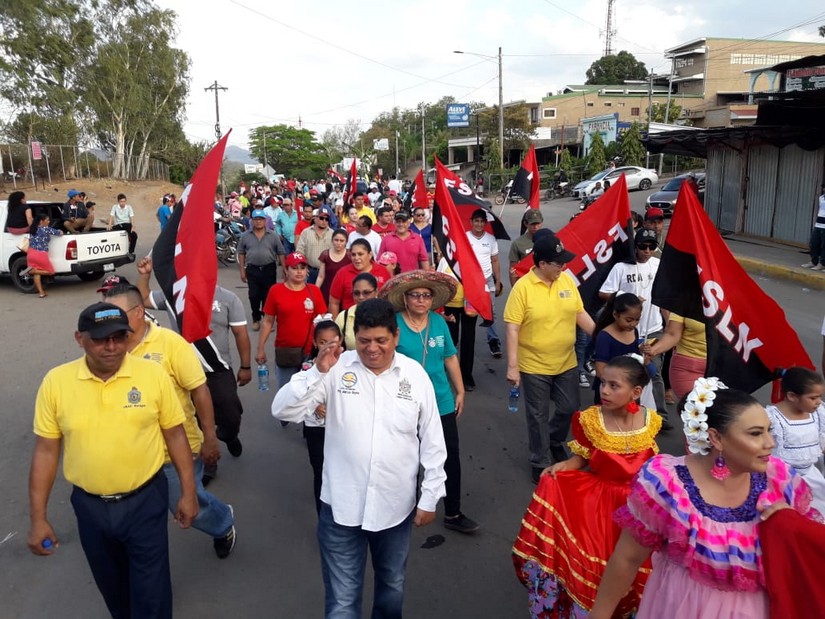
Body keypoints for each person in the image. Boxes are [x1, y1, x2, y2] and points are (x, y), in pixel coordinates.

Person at [271, 298, 447, 619]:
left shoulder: (415, 376)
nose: (372, 349)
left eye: (381, 340)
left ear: (395, 336)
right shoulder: (334, 368)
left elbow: (433, 440)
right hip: (341, 509)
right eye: (364, 340)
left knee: (391, 589)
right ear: (354, 336)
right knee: (341, 602)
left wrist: (431, 495)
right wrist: (318, 374)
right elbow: (282, 410)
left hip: (395, 510)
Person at [589, 380, 820, 619]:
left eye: (768, 431)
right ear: (716, 438)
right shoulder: (667, 483)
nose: (770, 443)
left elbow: (810, 555)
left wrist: (791, 523)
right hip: (679, 608)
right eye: (756, 433)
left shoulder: (779, 482)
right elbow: (627, 558)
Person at [28, 302, 198, 618]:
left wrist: (188, 493)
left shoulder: (152, 375)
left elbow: (175, 435)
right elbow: (46, 451)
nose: (112, 347)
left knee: (152, 595)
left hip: (145, 502)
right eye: (101, 339)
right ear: (79, 338)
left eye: (119, 337)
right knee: (114, 591)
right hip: (90, 508)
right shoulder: (56, 382)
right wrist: (38, 518)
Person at [513, 355, 660, 618]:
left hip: (640, 508)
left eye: (614, 386)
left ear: (636, 392)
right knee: (601, 569)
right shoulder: (591, 420)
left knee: (636, 567)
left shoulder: (651, 421)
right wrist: (562, 468)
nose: (604, 390)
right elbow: (583, 457)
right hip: (600, 509)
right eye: (602, 382)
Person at [103, 285, 236, 559]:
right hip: (131, 452)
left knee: (186, 506)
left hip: (174, 450)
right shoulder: (109, 348)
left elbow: (200, 390)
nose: (110, 322)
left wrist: (209, 438)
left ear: (139, 312)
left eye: (117, 313)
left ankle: (222, 523)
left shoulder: (171, 344)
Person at [135, 257, 252, 483]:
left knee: (231, 414)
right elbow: (143, 300)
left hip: (218, 370)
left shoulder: (229, 298)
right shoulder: (175, 296)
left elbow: (241, 334)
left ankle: (229, 435)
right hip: (184, 371)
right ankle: (209, 464)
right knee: (196, 419)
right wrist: (145, 274)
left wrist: (245, 366)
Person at [381, 270, 480, 534]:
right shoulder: (396, 326)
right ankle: (405, 510)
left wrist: (460, 390)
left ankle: (453, 512)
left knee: (450, 457)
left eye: (426, 296)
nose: (422, 300)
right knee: (407, 458)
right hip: (405, 403)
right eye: (416, 296)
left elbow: (449, 357)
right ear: (406, 299)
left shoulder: (438, 323)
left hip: (441, 401)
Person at [504, 234, 596, 483]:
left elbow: (580, 313)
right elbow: (512, 327)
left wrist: (601, 336)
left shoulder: (566, 280)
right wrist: (513, 367)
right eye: (558, 263)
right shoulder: (523, 288)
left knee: (569, 408)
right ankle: (539, 459)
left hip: (566, 362)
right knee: (537, 415)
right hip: (534, 365)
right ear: (542, 264)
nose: (563, 266)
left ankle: (554, 438)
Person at [599, 228, 670, 429]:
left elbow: (666, 295)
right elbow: (604, 293)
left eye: (652, 246)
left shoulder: (659, 265)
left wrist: (669, 324)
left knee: (653, 373)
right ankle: (626, 412)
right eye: (643, 247)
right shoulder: (621, 268)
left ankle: (659, 416)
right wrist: (625, 297)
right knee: (625, 375)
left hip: (654, 329)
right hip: (628, 332)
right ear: (635, 247)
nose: (647, 251)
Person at [255, 252, 327, 390]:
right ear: (286, 270)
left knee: (310, 391)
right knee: (287, 391)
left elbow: (322, 321)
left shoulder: (314, 291)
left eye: (302, 268)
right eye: (294, 268)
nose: (299, 272)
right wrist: (260, 348)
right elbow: (267, 321)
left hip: (310, 352)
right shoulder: (276, 291)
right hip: (286, 351)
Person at [765, 367, 825, 515]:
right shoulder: (771, 418)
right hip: (781, 479)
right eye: (813, 398)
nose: (818, 402)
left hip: (810, 476)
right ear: (791, 396)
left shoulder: (819, 413)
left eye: (820, 397)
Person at [301, 318, 343, 515]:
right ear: (316, 343)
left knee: (342, 470)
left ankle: (342, 507)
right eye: (323, 342)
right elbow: (301, 395)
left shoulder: (346, 367)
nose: (327, 346)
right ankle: (323, 514)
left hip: (341, 428)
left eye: (332, 342)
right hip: (316, 428)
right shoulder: (308, 368)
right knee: (320, 470)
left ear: (341, 341)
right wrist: (315, 404)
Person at [238, 208, 287, 331]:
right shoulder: (245, 236)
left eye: (261, 219)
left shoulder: (273, 235)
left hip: (268, 269)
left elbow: (281, 252)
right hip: (252, 269)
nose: (258, 222)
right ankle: (256, 318)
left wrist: (285, 269)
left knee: (268, 295)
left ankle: (267, 319)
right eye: (256, 219)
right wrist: (242, 270)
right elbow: (241, 253)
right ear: (252, 221)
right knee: (254, 295)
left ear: (265, 221)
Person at [591, 293, 644, 404]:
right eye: (629, 320)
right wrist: (617, 384)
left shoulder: (634, 331)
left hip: (629, 391)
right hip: (609, 392)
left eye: (637, 320)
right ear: (615, 315)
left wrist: (644, 355)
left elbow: (635, 362)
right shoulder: (605, 336)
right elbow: (601, 371)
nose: (633, 324)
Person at [466, 208, 504, 357]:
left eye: (482, 221)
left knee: (490, 311)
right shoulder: (465, 237)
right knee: (469, 313)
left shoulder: (490, 239)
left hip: (487, 279)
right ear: (471, 222)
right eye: (476, 221)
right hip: (469, 280)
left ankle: (493, 340)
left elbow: (495, 260)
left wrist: (498, 281)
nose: (479, 224)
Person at [645, 312, 707, 401]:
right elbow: (672, 334)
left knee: (720, 412)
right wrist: (653, 350)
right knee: (693, 410)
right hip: (688, 367)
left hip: (721, 366)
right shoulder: (684, 301)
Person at [440, 258, 478, 391]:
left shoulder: (471, 255)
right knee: (450, 339)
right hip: (450, 304)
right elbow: (439, 280)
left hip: (470, 304)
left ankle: (466, 376)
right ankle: (442, 373)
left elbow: (481, 277)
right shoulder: (446, 259)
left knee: (468, 340)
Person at [328, 238, 391, 316]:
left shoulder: (382, 271)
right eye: (353, 255)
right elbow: (334, 302)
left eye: (360, 254)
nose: (356, 258)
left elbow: (389, 298)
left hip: (378, 320)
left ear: (370, 255)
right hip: (351, 321)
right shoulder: (342, 273)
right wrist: (336, 324)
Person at [335, 272, 378, 351]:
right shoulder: (344, 317)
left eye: (366, 293)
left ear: (376, 292)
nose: (361, 297)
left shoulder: (386, 314)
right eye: (356, 293)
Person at [25, 212, 63, 298]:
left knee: (37, 274)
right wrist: (61, 231)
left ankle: (41, 292)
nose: (49, 221)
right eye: (47, 220)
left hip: (31, 253)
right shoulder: (46, 229)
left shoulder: (32, 229)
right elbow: (59, 233)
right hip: (41, 254)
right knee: (50, 272)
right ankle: (32, 271)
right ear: (41, 221)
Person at [296, 207, 334, 285]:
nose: (324, 221)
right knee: (310, 295)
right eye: (321, 218)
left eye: (327, 219)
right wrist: (303, 267)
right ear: (315, 218)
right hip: (311, 271)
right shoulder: (306, 232)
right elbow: (299, 251)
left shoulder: (333, 234)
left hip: (327, 271)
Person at [508, 209, 544, 285]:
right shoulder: (518, 243)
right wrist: (514, 289)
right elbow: (513, 270)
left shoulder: (549, 239)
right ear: (525, 224)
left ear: (542, 223)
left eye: (538, 224)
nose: (535, 227)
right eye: (532, 224)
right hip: (527, 284)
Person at [316, 228, 351, 304]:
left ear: (346, 242)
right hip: (328, 290)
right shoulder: (325, 255)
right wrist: (315, 291)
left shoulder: (350, 255)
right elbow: (321, 276)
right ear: (332, 240)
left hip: (346, 292)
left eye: (342, 241)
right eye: (336, 240)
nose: (338, 243)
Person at [802, 183, 825, 270]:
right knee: (814, 243)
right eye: (824, 188)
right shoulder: (821, 198)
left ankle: (822, 263)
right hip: (818, 225)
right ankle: (813, 261)